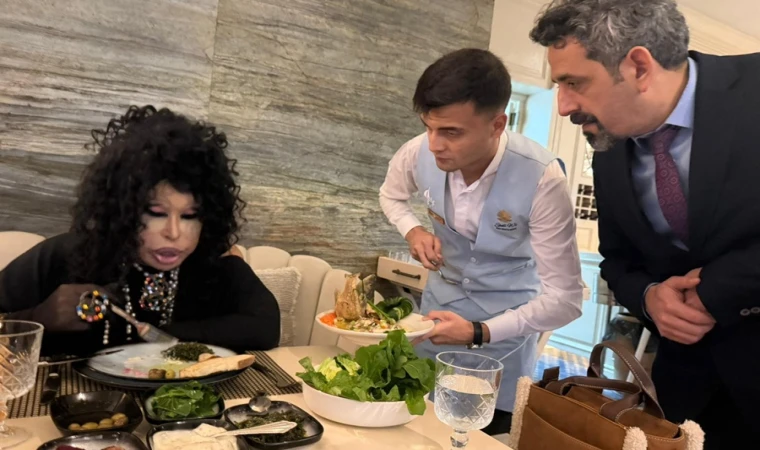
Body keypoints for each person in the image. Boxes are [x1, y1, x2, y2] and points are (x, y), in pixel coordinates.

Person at [530, 1, 760, 448]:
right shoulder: (608, 144)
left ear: (638, 66)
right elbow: (617, 262)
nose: (563, 106)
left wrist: (714, 292)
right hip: (683, 397)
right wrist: (650, 297)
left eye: (574, 83)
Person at [379, 48, 584, 435]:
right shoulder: (418, 151)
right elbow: (391, 195)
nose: (434, 144)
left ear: (497, 125)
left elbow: (566, 301)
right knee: (416, 431)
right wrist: (413, 229)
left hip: (505, 334)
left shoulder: (543, 179)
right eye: (428, 127)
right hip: (435, 321)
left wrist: (480, 331)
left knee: (482, 436)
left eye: (451, 132)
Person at [0, 105, 281, 356]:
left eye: (190, 215)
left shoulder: (215, 267)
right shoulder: (64, 255)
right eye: (156, 213)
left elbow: (265, 328)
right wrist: (37, 317)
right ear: (121, 210)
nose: (174, 233)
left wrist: (156, 336)